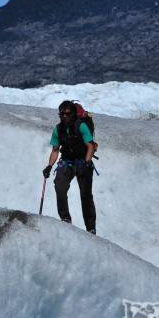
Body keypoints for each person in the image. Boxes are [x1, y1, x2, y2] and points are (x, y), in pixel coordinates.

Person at [42, 100, 97, 234]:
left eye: (67, 113)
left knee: (86, 195)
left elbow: (90, 146)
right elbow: (55, 150)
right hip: (67, 161)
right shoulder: (58, 129)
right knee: (60, 186)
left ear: (73, 114)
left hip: (83, 161)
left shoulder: (81, 126)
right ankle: (65, 218)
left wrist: (87, 162)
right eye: (62, 114)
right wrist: (49, 165)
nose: (64, 116)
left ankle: (90, 228)